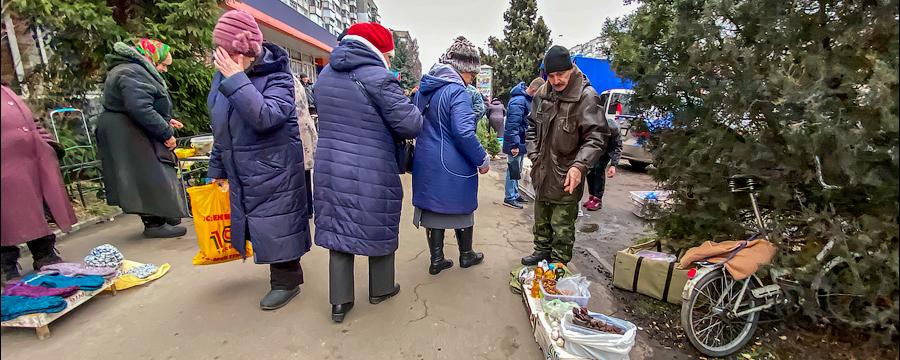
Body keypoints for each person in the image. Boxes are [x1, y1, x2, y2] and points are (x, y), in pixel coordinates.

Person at [313, 22, 423, 323]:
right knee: (378, 224)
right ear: (377, 50)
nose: (388, 59)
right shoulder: (378, 77)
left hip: (331, 166)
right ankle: (381, 288)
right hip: (371, 167)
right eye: (388, 53)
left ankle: (339, 302)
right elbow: (410, 124)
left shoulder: (325, 76)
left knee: (338, 230)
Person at [207, 10, 311, 310]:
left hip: (274, 167)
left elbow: (266, 116)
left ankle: (286, 280)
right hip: (242, 164)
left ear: (247, 51)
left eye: (228, 52)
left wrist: (237, 80)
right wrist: (218, 167)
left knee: (278, 223)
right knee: (259, 223)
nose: (222, 59)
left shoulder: (278, 76)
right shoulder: (224, 76)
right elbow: (221, 126)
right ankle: (280, 274)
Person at [521, 45, 609, 266]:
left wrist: (579, 166)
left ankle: (559, 264)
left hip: (568, 174)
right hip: (542, 171)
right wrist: (534, 154)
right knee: (541, 219)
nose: (556, 80)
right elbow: (531, 126)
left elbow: (596, 137)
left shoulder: (587, 97)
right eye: (551, 76)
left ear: (571, 69)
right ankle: (541, 251)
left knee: (562, 226)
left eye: (560, 74)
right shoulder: (542, 94)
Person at [96, 38, 189, 238]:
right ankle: (154, 223)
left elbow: (142, 104)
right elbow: (140, 108)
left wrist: (166, 119)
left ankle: (164, 216)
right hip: (126, 132)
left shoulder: (132, 70)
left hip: (129, 128)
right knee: (146, 175)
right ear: (151, 58)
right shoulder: (132, 71)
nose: (165, 69)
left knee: (150, 173)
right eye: (163, 64)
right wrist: (166, 132)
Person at [412, 36, 490, 276]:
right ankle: (466, 255)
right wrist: (481, 158)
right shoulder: (458, 92)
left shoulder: (426, 89)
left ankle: (437, 259)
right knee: (462, 207)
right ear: (465, 70)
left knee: (433, 209)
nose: (472, 80)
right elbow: (464, 133)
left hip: (426, 160)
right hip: (451, 162)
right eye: (472, 75)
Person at [1, 84, 77, 284]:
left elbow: (29, 121)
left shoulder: (4, 89)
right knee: (6, 216)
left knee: (36, 210)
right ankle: (5, 266)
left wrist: (46, 142)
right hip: (6, 165)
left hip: (30, 161)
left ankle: (45, 255)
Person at [502, 78, 545, 209]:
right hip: (515, 141)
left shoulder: (524, 100)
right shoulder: (519, 101)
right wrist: (514, 145)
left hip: (520, 140)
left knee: (517, 169)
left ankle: (514, 194)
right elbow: (512, 125)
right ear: (533, 90)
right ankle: (509, 197)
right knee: (513, 169)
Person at [584, 117, 623, 211]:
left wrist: (613, 165)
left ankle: (598, 199)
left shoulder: (614, 130)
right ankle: (591, 196)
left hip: (606, 152)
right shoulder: (595, 126)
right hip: (595, 150)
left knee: (598, 169)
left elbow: (617, 147)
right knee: (590, 171)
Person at [293, 74, 318, 217]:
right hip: (304, 135)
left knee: (301, 175)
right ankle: (308, 208)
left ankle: (306, 208)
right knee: (305, 174)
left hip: (297, 136)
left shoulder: (284, 81)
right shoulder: (295, 82)